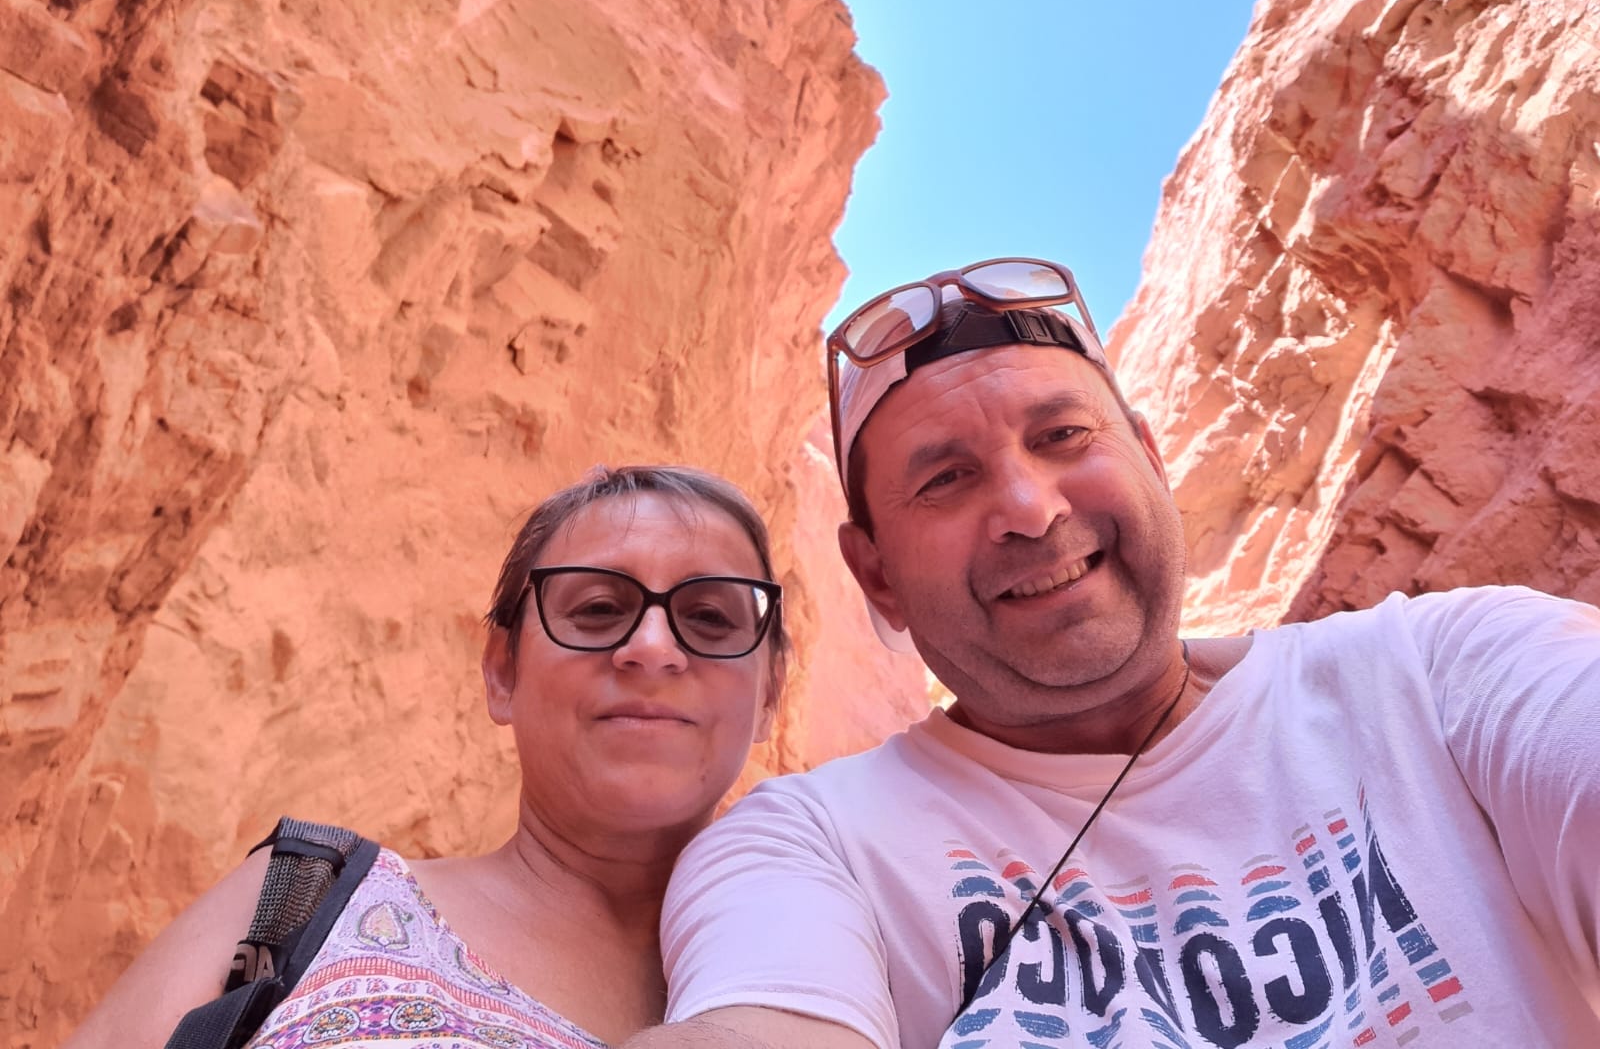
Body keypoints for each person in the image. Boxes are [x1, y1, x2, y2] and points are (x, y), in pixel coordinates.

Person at [630, 259, 1600, 1048]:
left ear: (1147, 453)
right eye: (946, 479)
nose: (1029, 508)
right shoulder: (810, 845)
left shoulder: (1439, 674)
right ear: (874, 573)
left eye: (1061, 435)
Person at [66, 465, 788, 1049]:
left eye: (710, 618)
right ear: (501, 671)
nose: (654, 648)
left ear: (770, 692)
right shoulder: (293, 902)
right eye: (597, 609)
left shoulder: (847, 987)